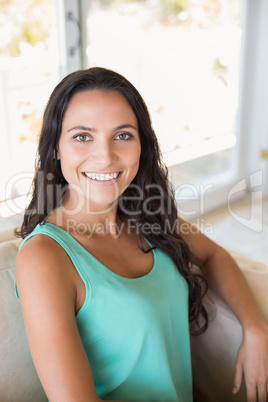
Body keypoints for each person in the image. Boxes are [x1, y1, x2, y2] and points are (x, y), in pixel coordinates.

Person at [15, 67, 268, 402]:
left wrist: (255, 327)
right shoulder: (44, 257)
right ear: (55, 148)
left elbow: (214, 254)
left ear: (141, 145)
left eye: (122, 135)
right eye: (81, 136)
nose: (105, 157)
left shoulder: (147, 217)